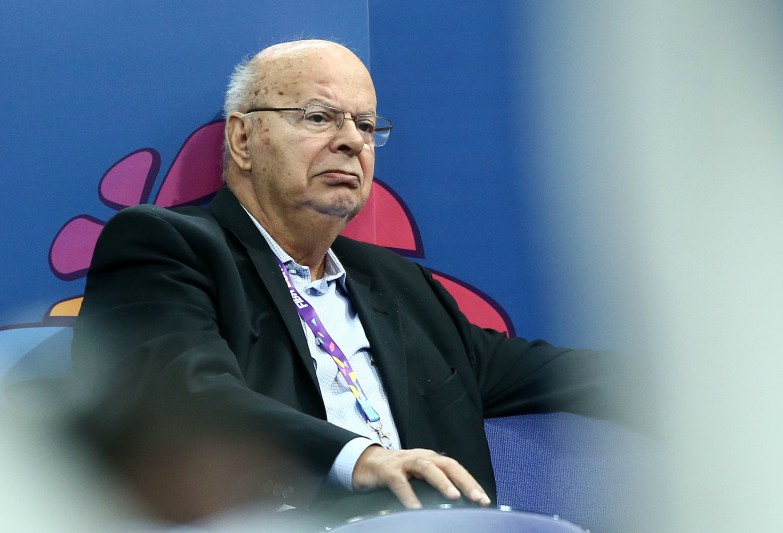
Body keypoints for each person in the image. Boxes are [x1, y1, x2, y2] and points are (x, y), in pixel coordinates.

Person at [72, 39, 642, 526]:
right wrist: (359, 458)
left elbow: (559, 375)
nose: (351, 141)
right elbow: (184, 395)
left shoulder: (402, 287)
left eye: (365, 125)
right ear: (243, 140)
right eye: (319, 117)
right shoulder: (167, 247)